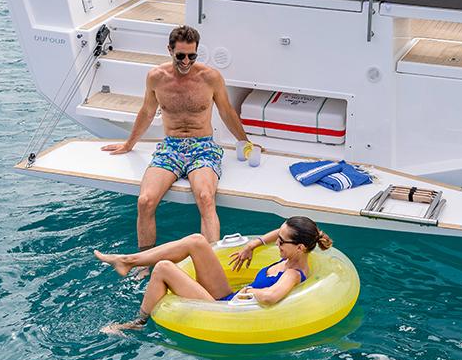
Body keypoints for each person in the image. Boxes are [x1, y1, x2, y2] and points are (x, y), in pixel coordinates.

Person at [101, 25, 253, 250]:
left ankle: (211, 261)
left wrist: (246, 142)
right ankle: (144, 262)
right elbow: (147, 112)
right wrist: (129, 144)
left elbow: (226, 111)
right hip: (170, 147)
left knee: (206, 198)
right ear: (170, 50)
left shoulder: (210, 78)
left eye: (192, 56)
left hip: (203, 147)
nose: (186, 61)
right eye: (181, 56)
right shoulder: (156, 77)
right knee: (144, 201)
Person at [94, 216, 333, 332]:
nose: (276, 243)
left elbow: (271, 297)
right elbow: (278, 233)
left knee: (164, 268)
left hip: (227, 311)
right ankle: (128, 260)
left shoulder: (292, 273)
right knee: (197, 241)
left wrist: (252, 291)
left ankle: (137, 323)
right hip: (228, 297)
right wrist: (253, 244)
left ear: (300, 247)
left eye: (281, 242)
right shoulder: (292, 253)